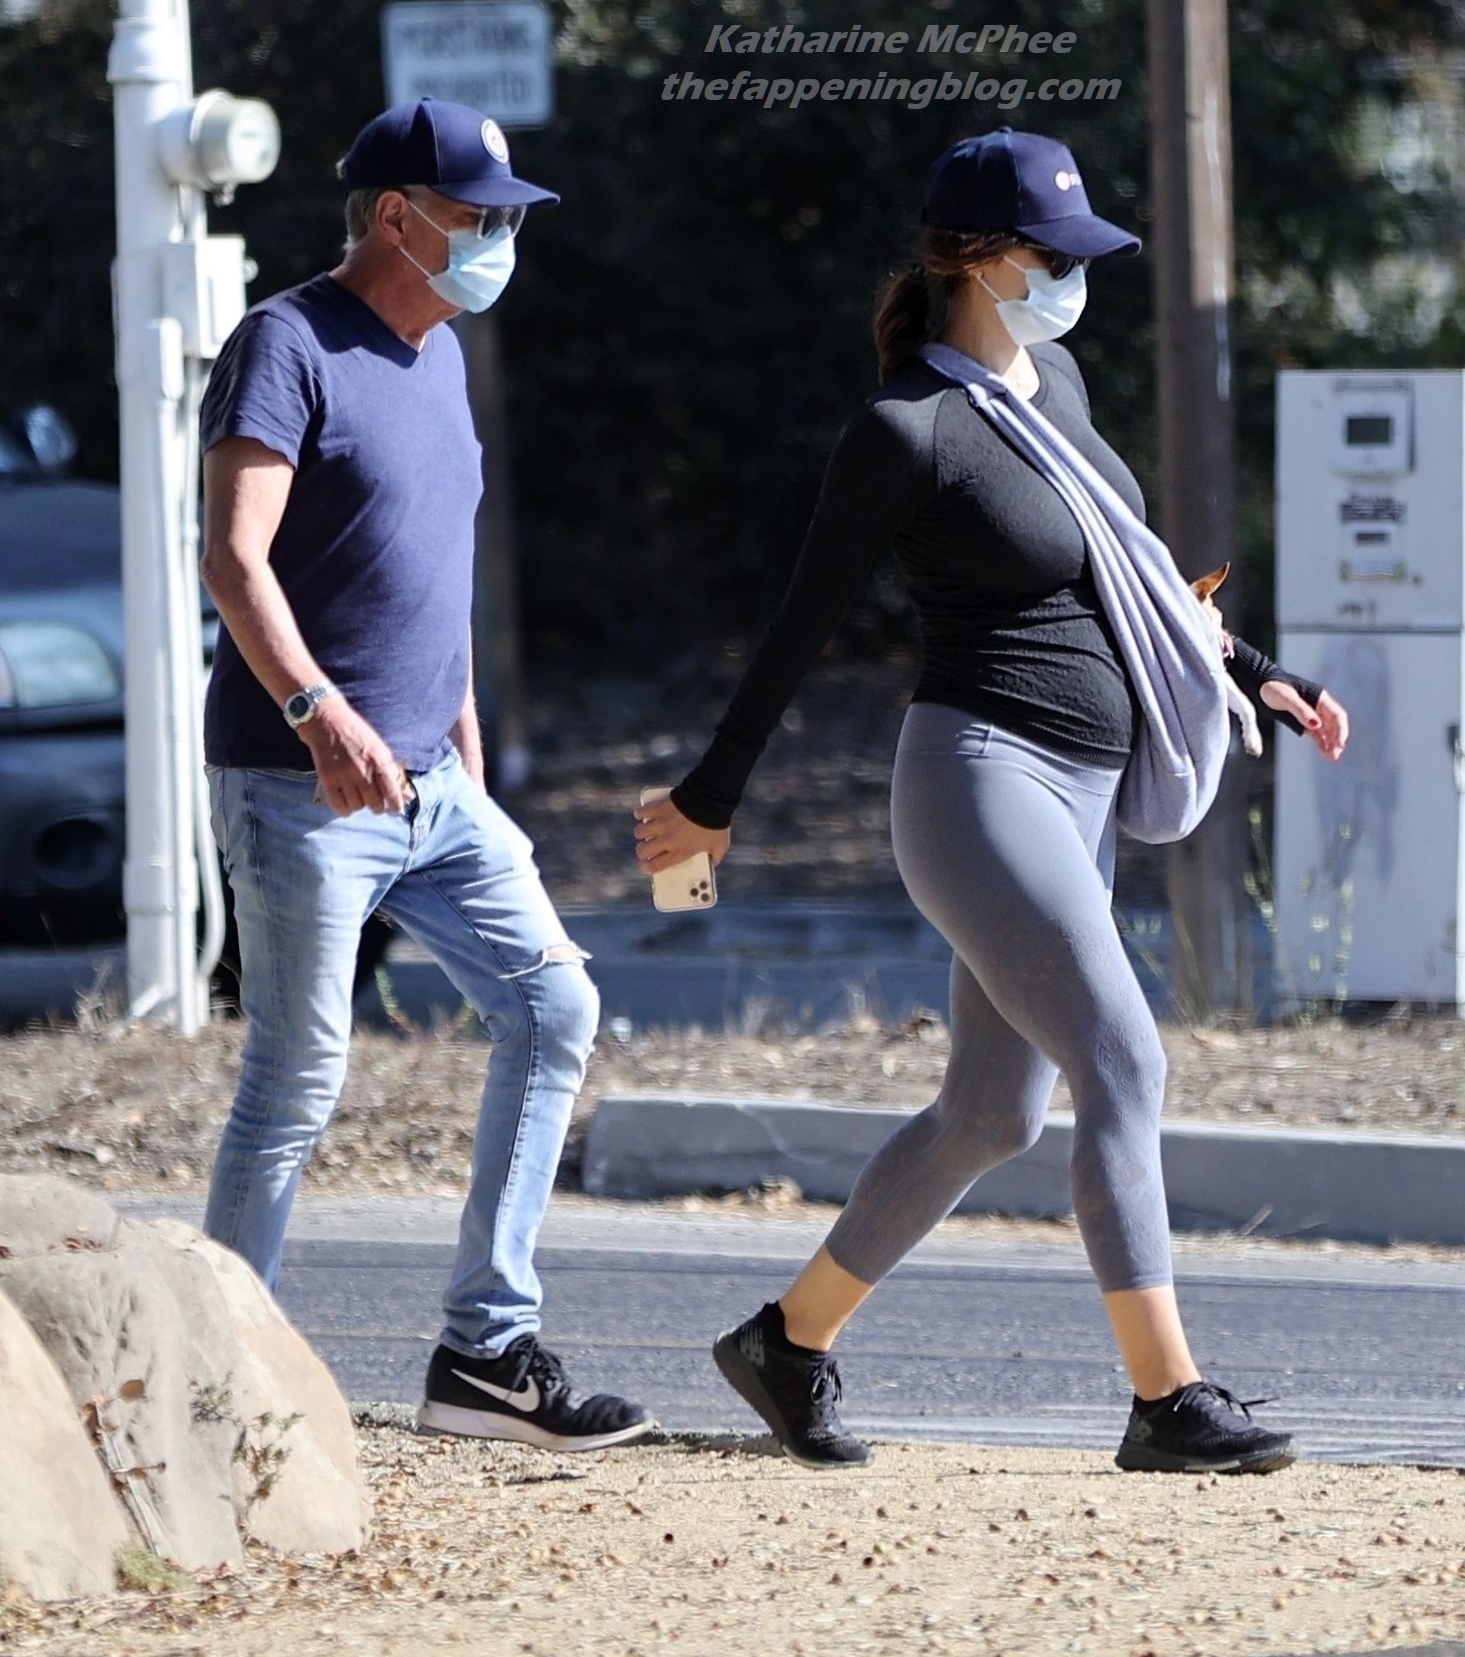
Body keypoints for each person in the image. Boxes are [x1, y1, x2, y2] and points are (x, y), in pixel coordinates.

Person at [633, 125, 1348, 1474]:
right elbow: (799, 625)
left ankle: (785, 1343)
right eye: (1053, 253)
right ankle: (1167, 1401)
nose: (1075, 277)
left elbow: (1128, 565)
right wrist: (708, 799)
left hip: (1080, 794)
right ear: (977, 258)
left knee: (990, 1114)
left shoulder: (1051, 380)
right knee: (1123, 1059)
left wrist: (1256, 672)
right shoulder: (904, 430)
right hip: (979, 784)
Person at [200, 97, 652, 1453]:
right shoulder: (285, 344)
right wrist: (317, 712)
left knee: (556, 1008)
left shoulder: (439, 353)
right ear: (395, 215)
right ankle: (219, 1383)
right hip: (299, 784)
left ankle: (486, 1357)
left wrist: (460, 733)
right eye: (478, 214)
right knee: (298, 1076)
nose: (500, 237)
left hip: (435, 790)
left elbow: (428, 564)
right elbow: (234, 556)